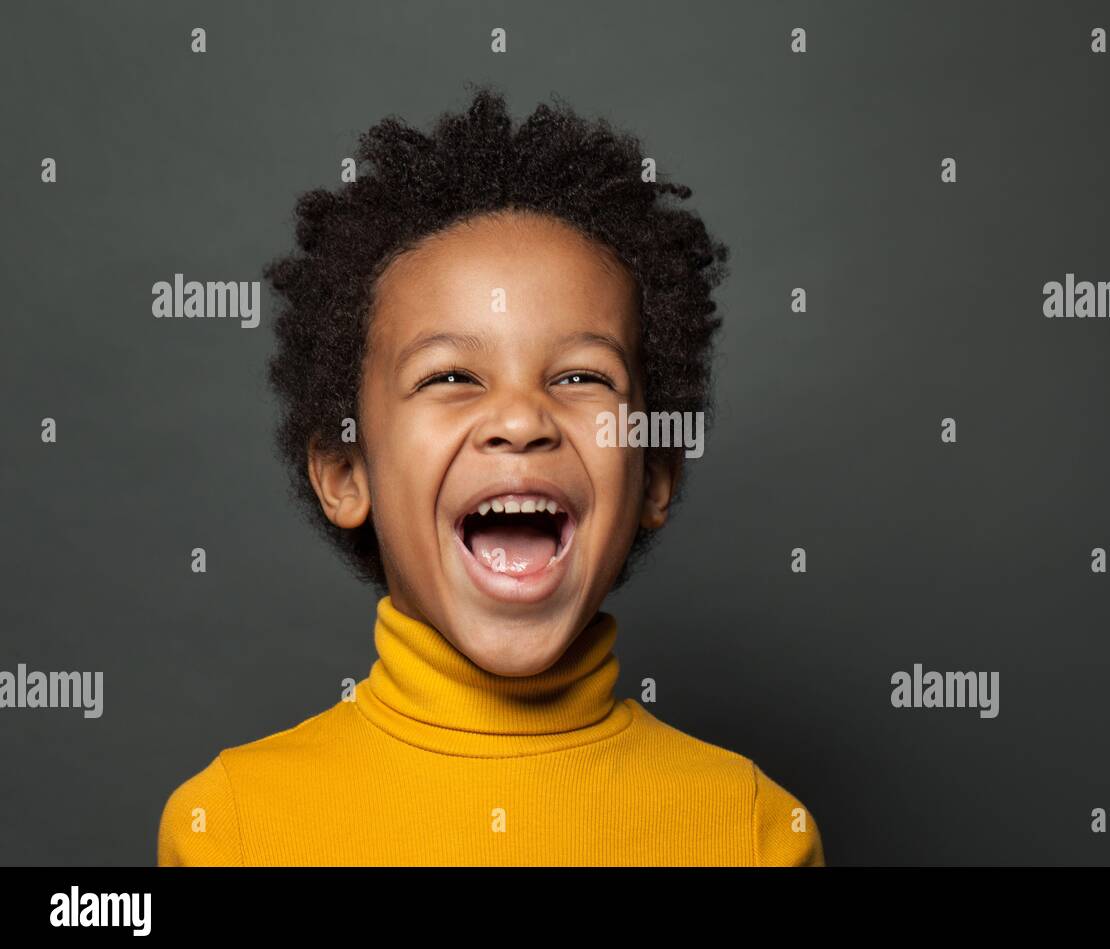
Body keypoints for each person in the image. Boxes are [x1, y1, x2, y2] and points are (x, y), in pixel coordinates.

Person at [157, 84, 825, 866]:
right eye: (450, 378)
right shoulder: (230, 827)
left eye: (581, 377)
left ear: (653, 477)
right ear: (345, 472)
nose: (521, 419)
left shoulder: (751, 831)